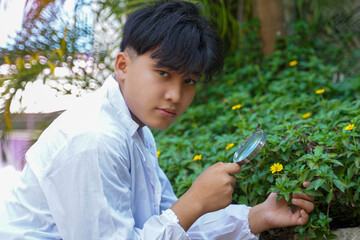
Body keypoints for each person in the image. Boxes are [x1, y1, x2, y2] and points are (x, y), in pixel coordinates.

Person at [0, 1, 315, 239]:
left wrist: (258, 216)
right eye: (163, 74)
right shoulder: (94, 139)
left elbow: (166, 221)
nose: (175, 95)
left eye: (189, 81)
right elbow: (176, 218)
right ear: (122, 65)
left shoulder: (134, 129)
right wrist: (192, 203)